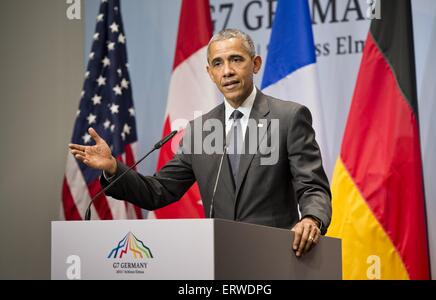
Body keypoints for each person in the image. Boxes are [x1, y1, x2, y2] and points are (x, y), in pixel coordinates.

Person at [69, 29, 331, 258]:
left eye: (236, 60)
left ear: (256, 64)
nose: (227, 71)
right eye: (218, 63)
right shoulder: (199, 131)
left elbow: (313, 187)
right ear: (210, 73)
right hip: (219, 258)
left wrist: (312, 218)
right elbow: (158, 191)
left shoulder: (288, 117)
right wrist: (113, 167)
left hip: (277, 256)